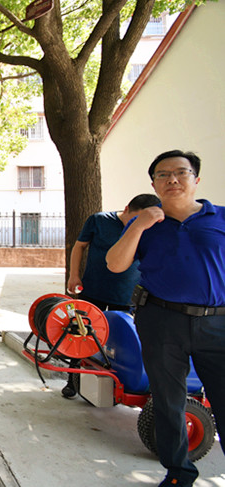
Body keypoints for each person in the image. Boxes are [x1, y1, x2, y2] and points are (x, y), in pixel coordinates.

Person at [106, 150, 225, 487]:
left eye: (180, 172)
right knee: (168, 403)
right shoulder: (144, 225)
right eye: (162, 175)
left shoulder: (221, 218)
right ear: (154, 184)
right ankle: (178, 473)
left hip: (218, 323)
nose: (172, 179)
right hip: (161, 321)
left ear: (196, 179)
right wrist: (140, 224)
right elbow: (115, 264)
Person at [67, 193, 161, 311]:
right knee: (87, 326)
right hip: (94, 290)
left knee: (120, 328)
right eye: (135, 220)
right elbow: (79, 246)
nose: (137, 225)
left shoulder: (150, 229)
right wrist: (74, 275)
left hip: (126, 296)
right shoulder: (99, 220)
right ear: (126, 209)